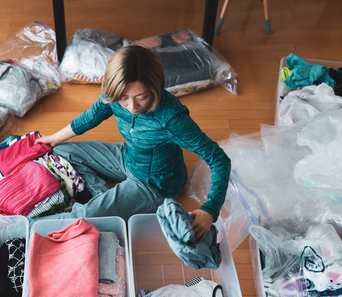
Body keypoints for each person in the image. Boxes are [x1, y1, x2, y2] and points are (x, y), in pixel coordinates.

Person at [35, 45, 230, 242]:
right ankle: (104, 199)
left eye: (141, 97)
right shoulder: (114, 96)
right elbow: (92, 116)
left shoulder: (171, 117)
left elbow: (218, 158)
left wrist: (210, 209)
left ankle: (20, 227)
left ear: (156, 88)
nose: (132, 106)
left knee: (82, 217)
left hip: (154, 183)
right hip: (127, 156)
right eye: (124, 98)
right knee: (59, 151)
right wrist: (54, 138)